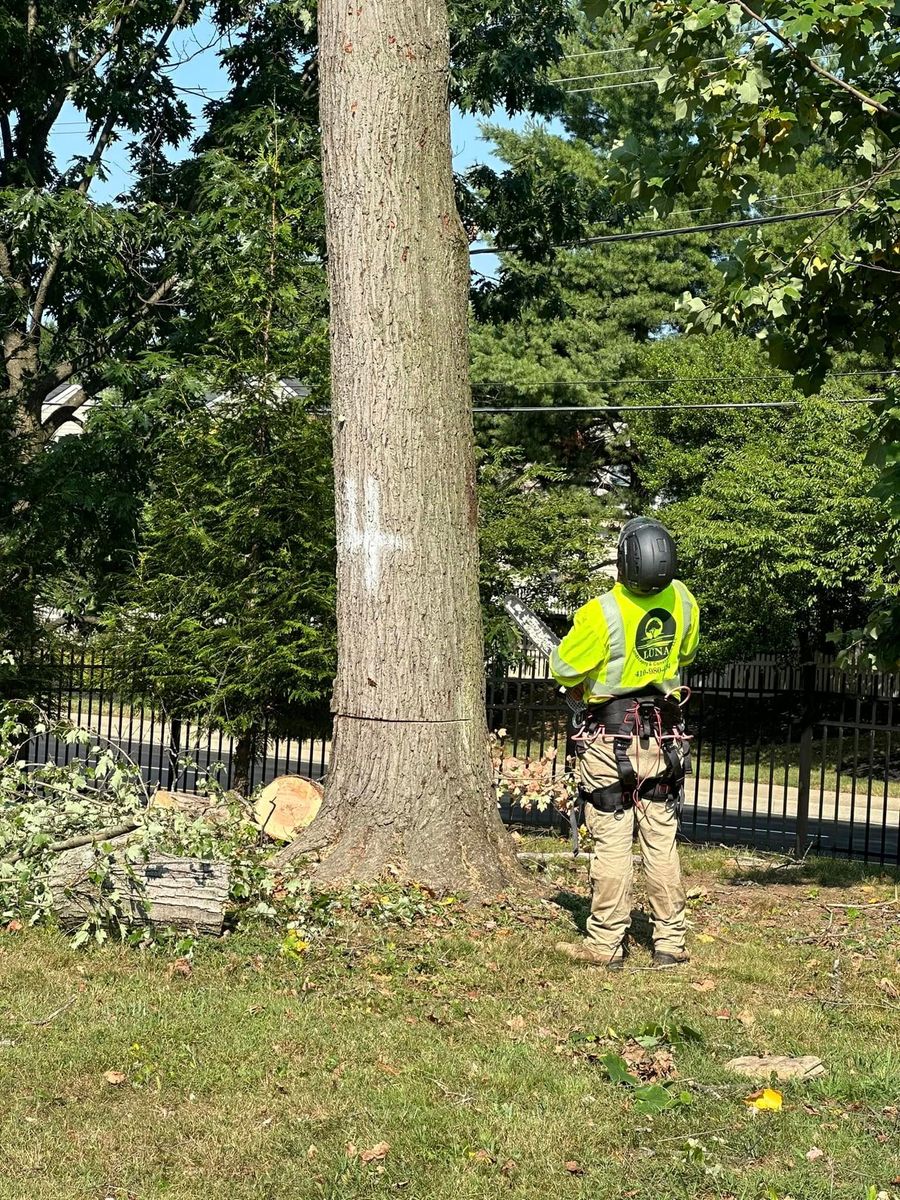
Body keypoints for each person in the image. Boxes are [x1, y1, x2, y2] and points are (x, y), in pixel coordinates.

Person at [550, 517, 700, 970]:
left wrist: (591, 680)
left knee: (613, 839)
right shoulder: (684, 600)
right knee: (660, 839)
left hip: (610, 738)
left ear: (623, 562)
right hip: (664, 735)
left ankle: (605, 945)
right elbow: (686, 654)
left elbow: (565, 669)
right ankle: (670, 943)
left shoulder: (602, 612)